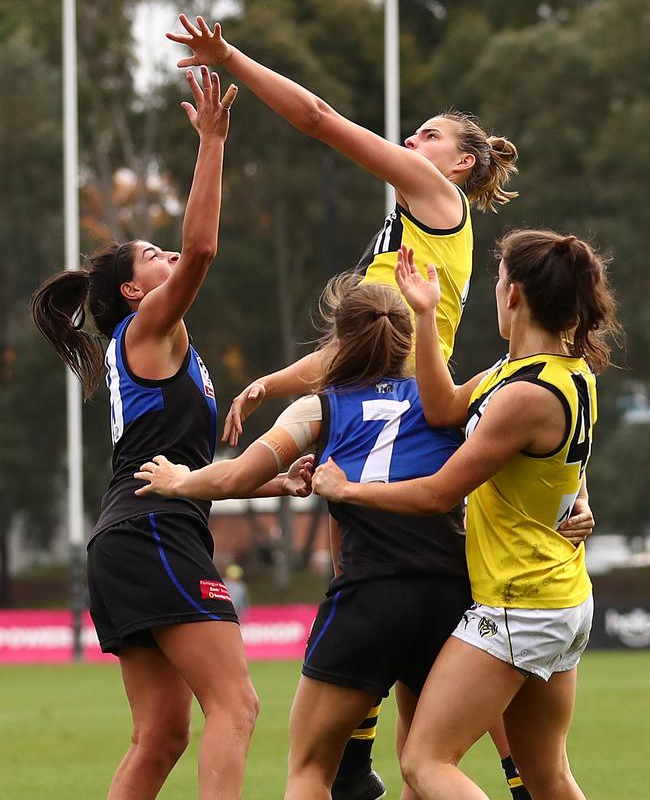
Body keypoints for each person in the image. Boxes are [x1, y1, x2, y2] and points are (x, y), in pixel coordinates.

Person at [165, 13, 519, 800]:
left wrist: (232, 59)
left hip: (394, 406)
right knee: (415, 694)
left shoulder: (432, 195)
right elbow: (356, 344)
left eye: (428, 135)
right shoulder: (401, 233)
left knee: (361, 589)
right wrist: (269, 384)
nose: (413, 141)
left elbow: (319, 120)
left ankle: (423, 769)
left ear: (460, 164)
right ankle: (385, 766)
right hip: (382, 400)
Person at [133, 276, 593, 800]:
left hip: (368, 601)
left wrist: (179, 481)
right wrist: (578, 500)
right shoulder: (457, 400)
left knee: (310, 769)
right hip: (452, 601)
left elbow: (237, 475)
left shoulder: (321, 408)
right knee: (423, 767)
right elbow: (549, 446)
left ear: (337, 343)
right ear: (409, 342)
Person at [311, 234, 620, 800]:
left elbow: (435, 494)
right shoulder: (545, 370)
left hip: (519, 600)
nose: (495, 290)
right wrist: (425, 316)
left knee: (425, 762)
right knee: (547, 775)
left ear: (515, 295)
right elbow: (445, 408)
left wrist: (346, 489)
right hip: (560, 594)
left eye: (499, 280)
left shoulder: (525, 394)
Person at [31, 68, 259, 800]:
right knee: (237, 705)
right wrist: (213, 143)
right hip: (152, 530)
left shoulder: (171, 347)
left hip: (134, 535)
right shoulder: (145, 327)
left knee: (161, 735)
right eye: (151, 256)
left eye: (161, 249)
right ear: (133, 292)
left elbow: (190, 460)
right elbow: (203, 252)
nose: (169, 256)